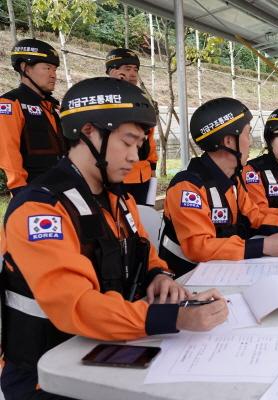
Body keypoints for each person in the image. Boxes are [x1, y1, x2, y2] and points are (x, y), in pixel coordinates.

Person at [0, 77, 228, 400]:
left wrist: (159, 276)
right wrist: (175, 317)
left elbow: (144, 252)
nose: (135, 156)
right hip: (47, 377)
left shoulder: (119, 200)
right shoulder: (40, 211)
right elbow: (76, 305)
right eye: (128, 142)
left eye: (139, 145)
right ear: (88, 131)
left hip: (110, 350)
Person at [159, 98, 278, 277]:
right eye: (247, 134)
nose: (251, 142)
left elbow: (255, 215)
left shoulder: (232, 179)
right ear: (229, 141)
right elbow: (199, 247)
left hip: (224, 271)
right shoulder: (187, 187)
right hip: (186, 280)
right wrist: (262, 246)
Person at [0, 38, 66, 196]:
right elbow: (8, 151)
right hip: (34, 191)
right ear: (25, 68)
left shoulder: (51, 106)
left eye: (55, 70)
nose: (53, 75)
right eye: (47, 68)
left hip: (62, 187)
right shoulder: (10, 103)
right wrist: (19, 189)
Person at [105, 48, 159, 205]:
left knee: (143, 215)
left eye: (135, 69)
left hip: (143, 175)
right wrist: (114, 86)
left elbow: (149, 137)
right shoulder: (103, 98)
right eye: (127, 69)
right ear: (112, 71)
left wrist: (153, 168)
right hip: (117, 175)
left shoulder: (142, 100)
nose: (133, 74)